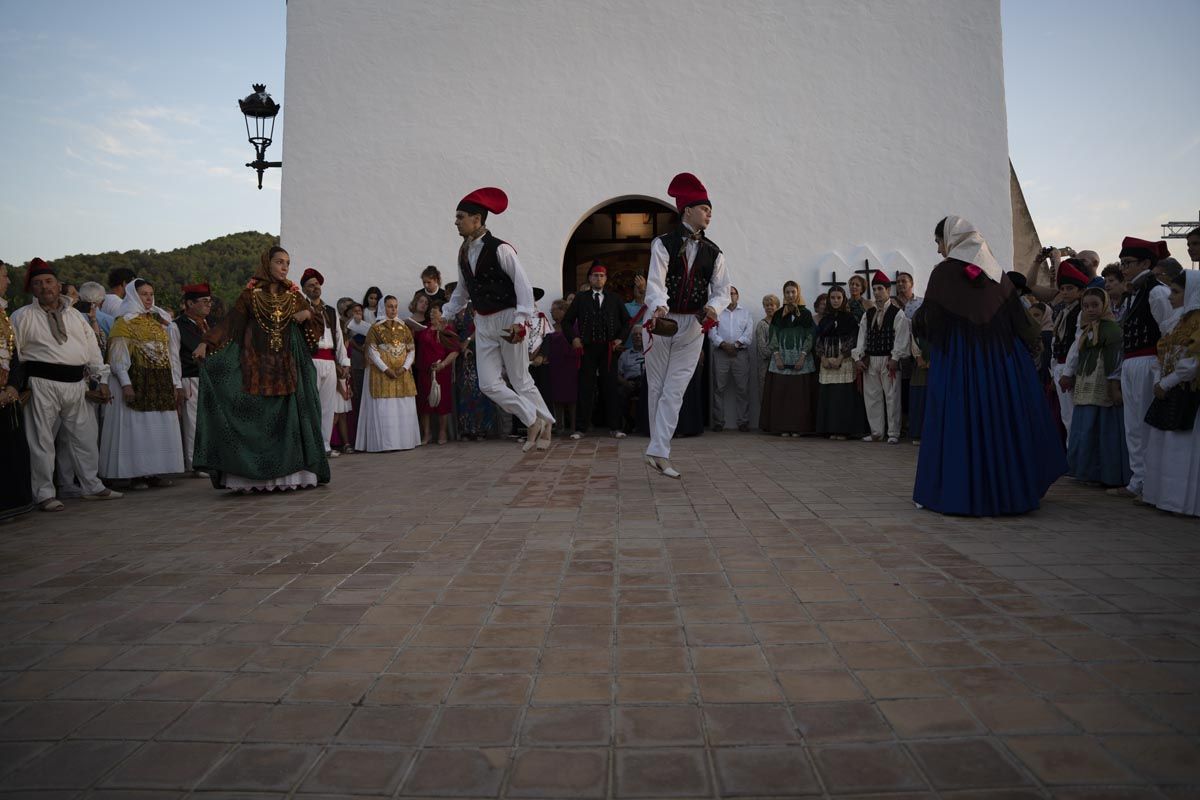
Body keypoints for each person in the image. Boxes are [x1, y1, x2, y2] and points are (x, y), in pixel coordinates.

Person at [912, 216, 1065, 515]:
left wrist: (924, 335)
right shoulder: (998, 274)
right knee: (1000, 420)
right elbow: (1023, 322)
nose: (939, 250)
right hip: (1001, 364)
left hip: (959, 362)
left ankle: (961, 491)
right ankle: (1007, 491)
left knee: (961, 420)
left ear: (952, 240)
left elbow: (930, 320)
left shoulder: (943, 273)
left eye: (939, 242)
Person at [192, 246, 329, 492]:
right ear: (267, 264)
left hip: (288, 366)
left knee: (290, 419)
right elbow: (231, 323)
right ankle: (251, 475)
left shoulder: (294, 295)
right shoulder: (250, 296)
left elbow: (317, 322)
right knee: (259, 417)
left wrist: (308, 312)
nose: (284, 267)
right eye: (279, 262)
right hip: (256, 365)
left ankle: (294, 475)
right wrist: (206, 342)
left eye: (287, 262)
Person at [443, 186, 555, 451]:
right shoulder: (462, 252)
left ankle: (543, 424)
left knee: (520, 379)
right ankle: (535, 419)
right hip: (482, 321)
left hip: (508, 318)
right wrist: (446, 314)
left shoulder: (501, 249)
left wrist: (521, 319)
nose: (456, 222)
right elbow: (462, 290)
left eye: (460, 217)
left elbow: (523, 285)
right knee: (489, 384)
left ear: (477, 219)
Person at [11, 259, 123, 510]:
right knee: (41, 440)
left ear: (58, 285)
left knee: (85, 437)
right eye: (37, 283)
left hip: (76, 382)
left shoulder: (74, 315)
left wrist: (101, 378)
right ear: (31, 288)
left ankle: (92, 485)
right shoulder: (22, 316)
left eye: (49, 282)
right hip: (41, 383)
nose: (44, 287)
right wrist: (18, 386)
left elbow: (91, 348)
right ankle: (44, 494)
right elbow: (14, 354)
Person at [641, 172, 731, 478]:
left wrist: (713, 307)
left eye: (710, 210)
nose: (709, 214)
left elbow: (721, 291)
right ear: (687, 210)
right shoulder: (662, 243)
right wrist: (659, 306)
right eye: (704, 208)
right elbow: (656, 281)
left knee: (676, 388)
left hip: (693, 324)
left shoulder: (714, 252)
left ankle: (658, 451)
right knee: (657, 386)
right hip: (661, 321)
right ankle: (658, 451)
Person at [98, 278, 186, 488]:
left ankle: (154, 472)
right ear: (133, 296)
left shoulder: (157, 323)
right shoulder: (124, 322)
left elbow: (168, 354)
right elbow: (118, 355)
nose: (148, 298)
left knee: (156, 427)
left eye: (150, 294)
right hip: (136, 380)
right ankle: (136, 474)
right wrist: (126, 383)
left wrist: (174, 383)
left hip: (158, 381)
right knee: (137, 428)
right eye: (143, 294)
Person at [1108, 237, 1174, 501]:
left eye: (1129, 263)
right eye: (1122, 263)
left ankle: (1152, 483)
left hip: (1149, 362)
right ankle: (1138, 481)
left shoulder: (1156, 291)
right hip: (1132, 363)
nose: (1124, 268)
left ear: (1146, 263)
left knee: (1146, 424)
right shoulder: (1134, 293)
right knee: (1133, 425)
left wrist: (1161, 369)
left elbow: (1167, 330)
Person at [1142, 269, 1199, 516]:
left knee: (1181, 448)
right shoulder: (1177, 321)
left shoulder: (1197, 322)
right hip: (1167, 388)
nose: (1170, 297)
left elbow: (1193, 361)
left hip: (1185, 391)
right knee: (1163, 444)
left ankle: (1180, 502)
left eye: (1176, 292)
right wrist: (1159, 380)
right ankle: (1163, 498)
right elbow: (1162, 353)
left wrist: (1167, 382)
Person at [1060, 286, 1129, 488]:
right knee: (1084, 427)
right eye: (1086, 306)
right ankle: (1085, 470)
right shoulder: (1086, 329)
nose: (1090, 309)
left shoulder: (1112, 329)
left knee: (1102, 428)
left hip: (1103, 383)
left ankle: (1105, 474)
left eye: (1095, 305)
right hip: (1086, 381)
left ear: (1105, 305)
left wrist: (1113, 384)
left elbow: (1116, 359)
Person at [562, 262, 631, 439]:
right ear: (590, 278)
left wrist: (619, 339)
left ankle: (615, 427)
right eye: (595, 275)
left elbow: (627, 322)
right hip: (587, 349)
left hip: (609, 349)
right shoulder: (581, 298)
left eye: (601, 276)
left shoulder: (615, 298)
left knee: (610, 387)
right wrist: (574, 338)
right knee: (585, 388)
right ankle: (581, 428)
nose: (598, 278)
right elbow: (566, 322)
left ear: (606, 279)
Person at [355, 295, 421, 452]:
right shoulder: (375, 328)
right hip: (381, 374)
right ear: (383, 308)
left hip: (402, 373)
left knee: (402, 406)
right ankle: (385, 444)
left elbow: (411, 350)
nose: (393, 309)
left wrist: (405, 367)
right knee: (385, 408)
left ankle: (405, 442)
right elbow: (372, 351)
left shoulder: (404, 327)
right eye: (390, 306)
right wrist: (386, 369)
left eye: (395, 306)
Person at [299, 268, 352, 459]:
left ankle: (325, 444)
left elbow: (338, 337)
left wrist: (344, 362)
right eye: (310, 285)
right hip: (310, 360)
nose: (315, 287)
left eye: (317, 284)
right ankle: (310, 445)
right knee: (310, 405)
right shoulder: (300, 309)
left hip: (329, 362)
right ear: (304, 289)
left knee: (328, 406)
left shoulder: (330, 311)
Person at [853, 271, 910, 444]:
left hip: (888, 359)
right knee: (872, 397)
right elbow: (862, 337)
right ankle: (877, 432)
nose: (877, 292)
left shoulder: (897, 313)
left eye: (880, 289)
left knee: (892, 397)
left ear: (887, 290)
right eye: (875, 289)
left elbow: (901, 337)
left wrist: (895, 357)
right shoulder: (868, 314)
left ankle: (893, 433)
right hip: (871, 360)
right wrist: (858, 357)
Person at [0, 264, 35, 520]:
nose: (8, 281)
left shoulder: (3, 315)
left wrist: (12, 385)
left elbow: (13, 356)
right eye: (3, 275)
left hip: (7, 395)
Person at [760, 280, 817, 436]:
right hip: (782, 358)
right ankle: (782, 427)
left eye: (793, 292)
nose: (790, 295)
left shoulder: (805, 314)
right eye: (787, 292)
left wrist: (802, 357)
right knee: (782, 394)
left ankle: (799, 427)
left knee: (798, 395)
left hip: (800, 359)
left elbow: (810, 335)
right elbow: (773, 335)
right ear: (784, 294)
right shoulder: (778, 314)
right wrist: (777, 357)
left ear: (798, 293)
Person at [814, 284, 867, 440]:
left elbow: (852, 339)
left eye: (839, 298)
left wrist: (839, 358)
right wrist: (823, 357)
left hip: (843, 361)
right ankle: (829, 429)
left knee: (842, 397)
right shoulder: (825, 320)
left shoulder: (850, 319)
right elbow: (819, 340)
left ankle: (843, 430)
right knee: (829, 396)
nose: (835, 301)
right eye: (832, 298)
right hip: (826, 362)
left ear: (844, 299)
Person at [175, 283, 211, 477]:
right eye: (204, 301)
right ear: (189, 303)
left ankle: (207, 459)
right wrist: (177, 383)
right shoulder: (177, 325)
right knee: (193, 422)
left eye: (209, 301)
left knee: (206, 421)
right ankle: (194, 463)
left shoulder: (206, 323)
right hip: (190, 377)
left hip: (206, 378)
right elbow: (174, 356)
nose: (208, 305)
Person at [1049, 260, 1089, 434]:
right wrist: (1054, 370)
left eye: (1070, 289)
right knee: (1067, 418)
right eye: (1063, 288)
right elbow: (1055, 342)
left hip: (1072, 369)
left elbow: (1077, 342)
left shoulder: (1081, 311)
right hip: (1060, 366)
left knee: (1075, 417)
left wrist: (1067, 373)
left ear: (1080, 291)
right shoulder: (1062, 312)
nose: (1065, 292)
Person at [451, 289, 497, 441]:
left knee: (479, 390)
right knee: (464, 392)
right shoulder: (455, 311)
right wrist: (459, 346)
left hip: (478, 352)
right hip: (462, 357)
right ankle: (466, 430)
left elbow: (481, 328)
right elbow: (452, 332)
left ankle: (481, 429)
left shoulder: (475, 308)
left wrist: (468, 342)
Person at [709, 286, 752, 432]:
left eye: (732, 294)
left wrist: (736, 345)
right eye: (728, 294)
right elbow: (712, 332)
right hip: (721, 353)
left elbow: (748, 334)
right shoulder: (717, 313)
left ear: (737, 296)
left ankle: (743, 422)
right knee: (718, 388)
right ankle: (718, 422)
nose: (730, 296)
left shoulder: (745, 313)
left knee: (742, 389)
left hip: (740, 354)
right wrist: (723, 345)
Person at [415, 302, 459, 445]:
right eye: (431, 313)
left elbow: (454, 351)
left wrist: (443, 364)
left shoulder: (447, 329)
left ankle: (442, 432)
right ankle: (427, 434)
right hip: (425, 371)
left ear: (442, 314)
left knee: (442, 402)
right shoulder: (423, 329)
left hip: (441, 371)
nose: (432, 315)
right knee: (424, 403)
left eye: (435, 313)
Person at [543, 298, 579, 435]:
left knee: (572, 397)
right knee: (556, 396)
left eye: (554, 311)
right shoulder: (550, 327)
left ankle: (575, 426)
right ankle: (559, 426)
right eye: (551, 311)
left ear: (563, 310)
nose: (551, 313)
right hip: (555, 366)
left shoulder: (573, 325)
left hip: (571, 365)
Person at [616, 326, 646, 433]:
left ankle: (647, 424)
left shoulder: (651, 352)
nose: (638, 337)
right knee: (619, 393)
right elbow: (617, 374)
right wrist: (626, 382)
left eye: (640, 334)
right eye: (635, 335)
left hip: (647, 382)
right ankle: (630, 422)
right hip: (630, 383)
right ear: (631, 338)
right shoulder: (625, 355)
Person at [755, 293, 780, 396]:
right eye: (766, 305)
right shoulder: (761, 325)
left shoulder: (782, 324)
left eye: (772, 305)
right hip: (766, 368)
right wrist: (778, 354)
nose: (769, 307)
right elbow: (763, 351)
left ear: (777, 306)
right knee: (766, 395)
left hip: (780, 368)